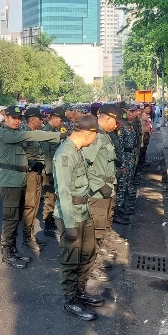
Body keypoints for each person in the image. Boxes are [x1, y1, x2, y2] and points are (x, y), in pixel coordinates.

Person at [0, 105, 62, 269]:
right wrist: (61, 135)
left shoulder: (15, 134)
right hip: (9, 181)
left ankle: (13, 249)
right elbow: (32, 134)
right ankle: (6, 253)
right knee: (10, 218)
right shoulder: (5, 133)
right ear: (6, 118)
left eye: (19, 118)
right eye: (13, 118)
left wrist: (32, 163)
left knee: (16, 217)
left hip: (19, 179)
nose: (17, 121)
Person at [53, 115, 104, 321]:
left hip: (84, 210)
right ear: (89, 132)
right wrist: (70, 224)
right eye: (96, 134)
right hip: (70, 214)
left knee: (88, 252)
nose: (96, 138)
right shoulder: (65, 154)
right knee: (70, 259)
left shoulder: (77, 151)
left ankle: (80, 290)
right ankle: (70, 298)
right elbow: (64, 192)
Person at [82, 105, 127, 281]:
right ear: (107, 118)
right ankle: (88, 268)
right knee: (92, 233)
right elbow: (84, 164)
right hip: (97, 194)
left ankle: (94, 261)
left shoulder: (105, 135)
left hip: (106, 191)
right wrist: (100, 185)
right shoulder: (95, 136)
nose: (117, 126)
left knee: (100, 230)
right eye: (116, 122)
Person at [21, 107, 48, 253]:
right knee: (29, 205)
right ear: (32, 119)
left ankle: (30, 235)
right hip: (29, 173)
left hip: (37, 173)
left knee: (35, 204)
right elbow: (21, 154)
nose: (42, 120)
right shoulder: (24, 133)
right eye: (39, 118)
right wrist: (32, 164)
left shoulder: (34, 133)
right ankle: (26, 238)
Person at [41, 107, 69, 237]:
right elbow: (46, 154)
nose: (62, 122)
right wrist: (50, 172)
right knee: (50, 197)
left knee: (54, 197)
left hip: (55, 168)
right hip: (50, 170)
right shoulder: (47, 132)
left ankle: (51, 221)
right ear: (53, 118)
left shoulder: (54, 131)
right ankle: (47, 224)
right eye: (60, 119)